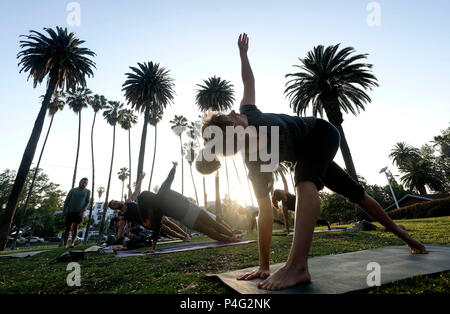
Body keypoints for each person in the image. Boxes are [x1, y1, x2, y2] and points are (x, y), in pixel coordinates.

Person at [196, 33, 427, 291]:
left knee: (304, 181)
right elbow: (265, 214)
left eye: (232, 114)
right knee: (355, 193)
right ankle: (405, 235)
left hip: (321, 132)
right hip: (307, 155)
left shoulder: (249, 112)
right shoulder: (255, 164)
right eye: (230, 121)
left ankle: (298, 267)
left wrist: (243, 54)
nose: (233, 113)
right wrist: (263, 265)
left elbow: (248, 80)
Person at [108, 161, 242, 252]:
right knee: (212, 223)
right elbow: (169, 178)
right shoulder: (162, 191)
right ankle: (231, 235)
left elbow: (157, 228)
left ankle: (230, 238)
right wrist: (174, 166)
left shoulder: (157, 210)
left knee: (208, 231)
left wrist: (154, 247)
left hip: (186, 218)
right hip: (191, 207)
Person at [111, 172, 191, 244]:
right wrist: (117, 239)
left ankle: (185, 234)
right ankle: (182, 237)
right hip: (148, 222)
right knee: (166, 230)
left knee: (167, 222)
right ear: (114, 208)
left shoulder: (128, 201)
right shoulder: (123, 216)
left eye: (115, 201)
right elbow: (120, 230)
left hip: (151, 212)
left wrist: (140, 179)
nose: (116, 203)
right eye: (114, 204)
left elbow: (136, 191)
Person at [272, 167, 331, 233]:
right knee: (310, 219)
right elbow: (286, 220)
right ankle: (326, 223)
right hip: (300, 213)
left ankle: (326, 222)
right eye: (280, 190)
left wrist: (280, 172)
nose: (282, 190)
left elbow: (284, 181)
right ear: (280, 194)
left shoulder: (287, 193)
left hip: (305, 203)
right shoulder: (284, 206)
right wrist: (288, 231)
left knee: (312, 219)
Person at [62, 178, 90, 248]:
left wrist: (83, 209)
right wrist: (64, 211)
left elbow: (87, 202)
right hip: (70, 211)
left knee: (75, 228)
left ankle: (72, 243)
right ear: (80, 182)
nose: (84, 184)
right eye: (83, 182)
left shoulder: (87, 191)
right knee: (67, 228)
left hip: (79, 212)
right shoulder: (73, 190)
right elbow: (66, 201)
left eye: (86, 183)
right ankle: (65, 244)